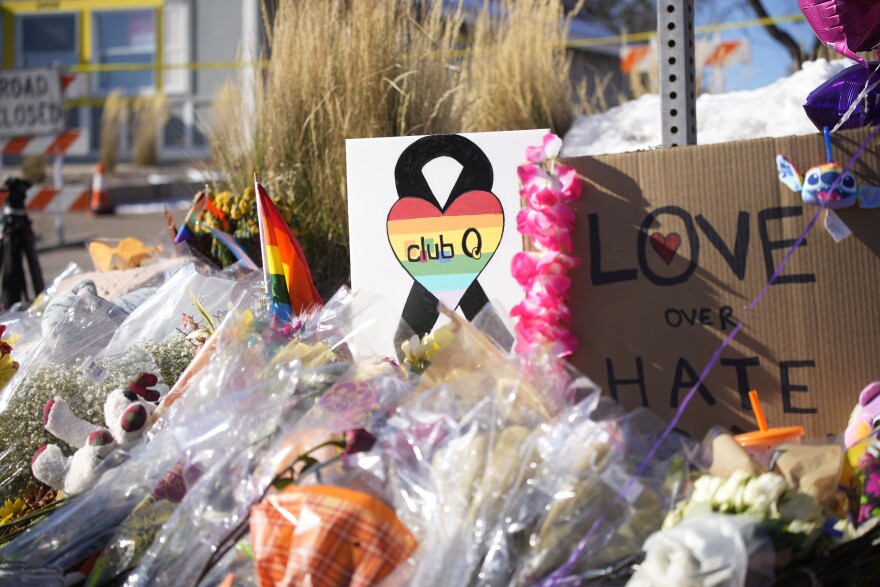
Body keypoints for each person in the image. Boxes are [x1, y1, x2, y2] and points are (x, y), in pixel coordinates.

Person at [1, 177, 45, 310]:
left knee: (30, 264)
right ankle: (10, 302)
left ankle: (39, 299)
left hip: (17, 224)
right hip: (11, 226)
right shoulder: (10, 225)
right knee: (11, 264)